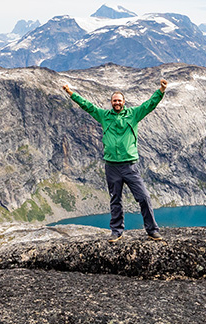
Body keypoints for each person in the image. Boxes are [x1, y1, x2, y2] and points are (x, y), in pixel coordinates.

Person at [63, 78, 168, 242]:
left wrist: (160, 91)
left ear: (124, 102)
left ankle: (152, 230)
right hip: (111, 166)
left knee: (144, 197)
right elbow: (87, 106)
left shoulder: (133, 114)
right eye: (114, 101)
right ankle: (116, 231)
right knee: (115, 200)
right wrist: (71, 93)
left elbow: (149, 105)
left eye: (119, 100)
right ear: (111, 103)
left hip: (129, 166)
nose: (117, 103)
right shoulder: (104, 116)